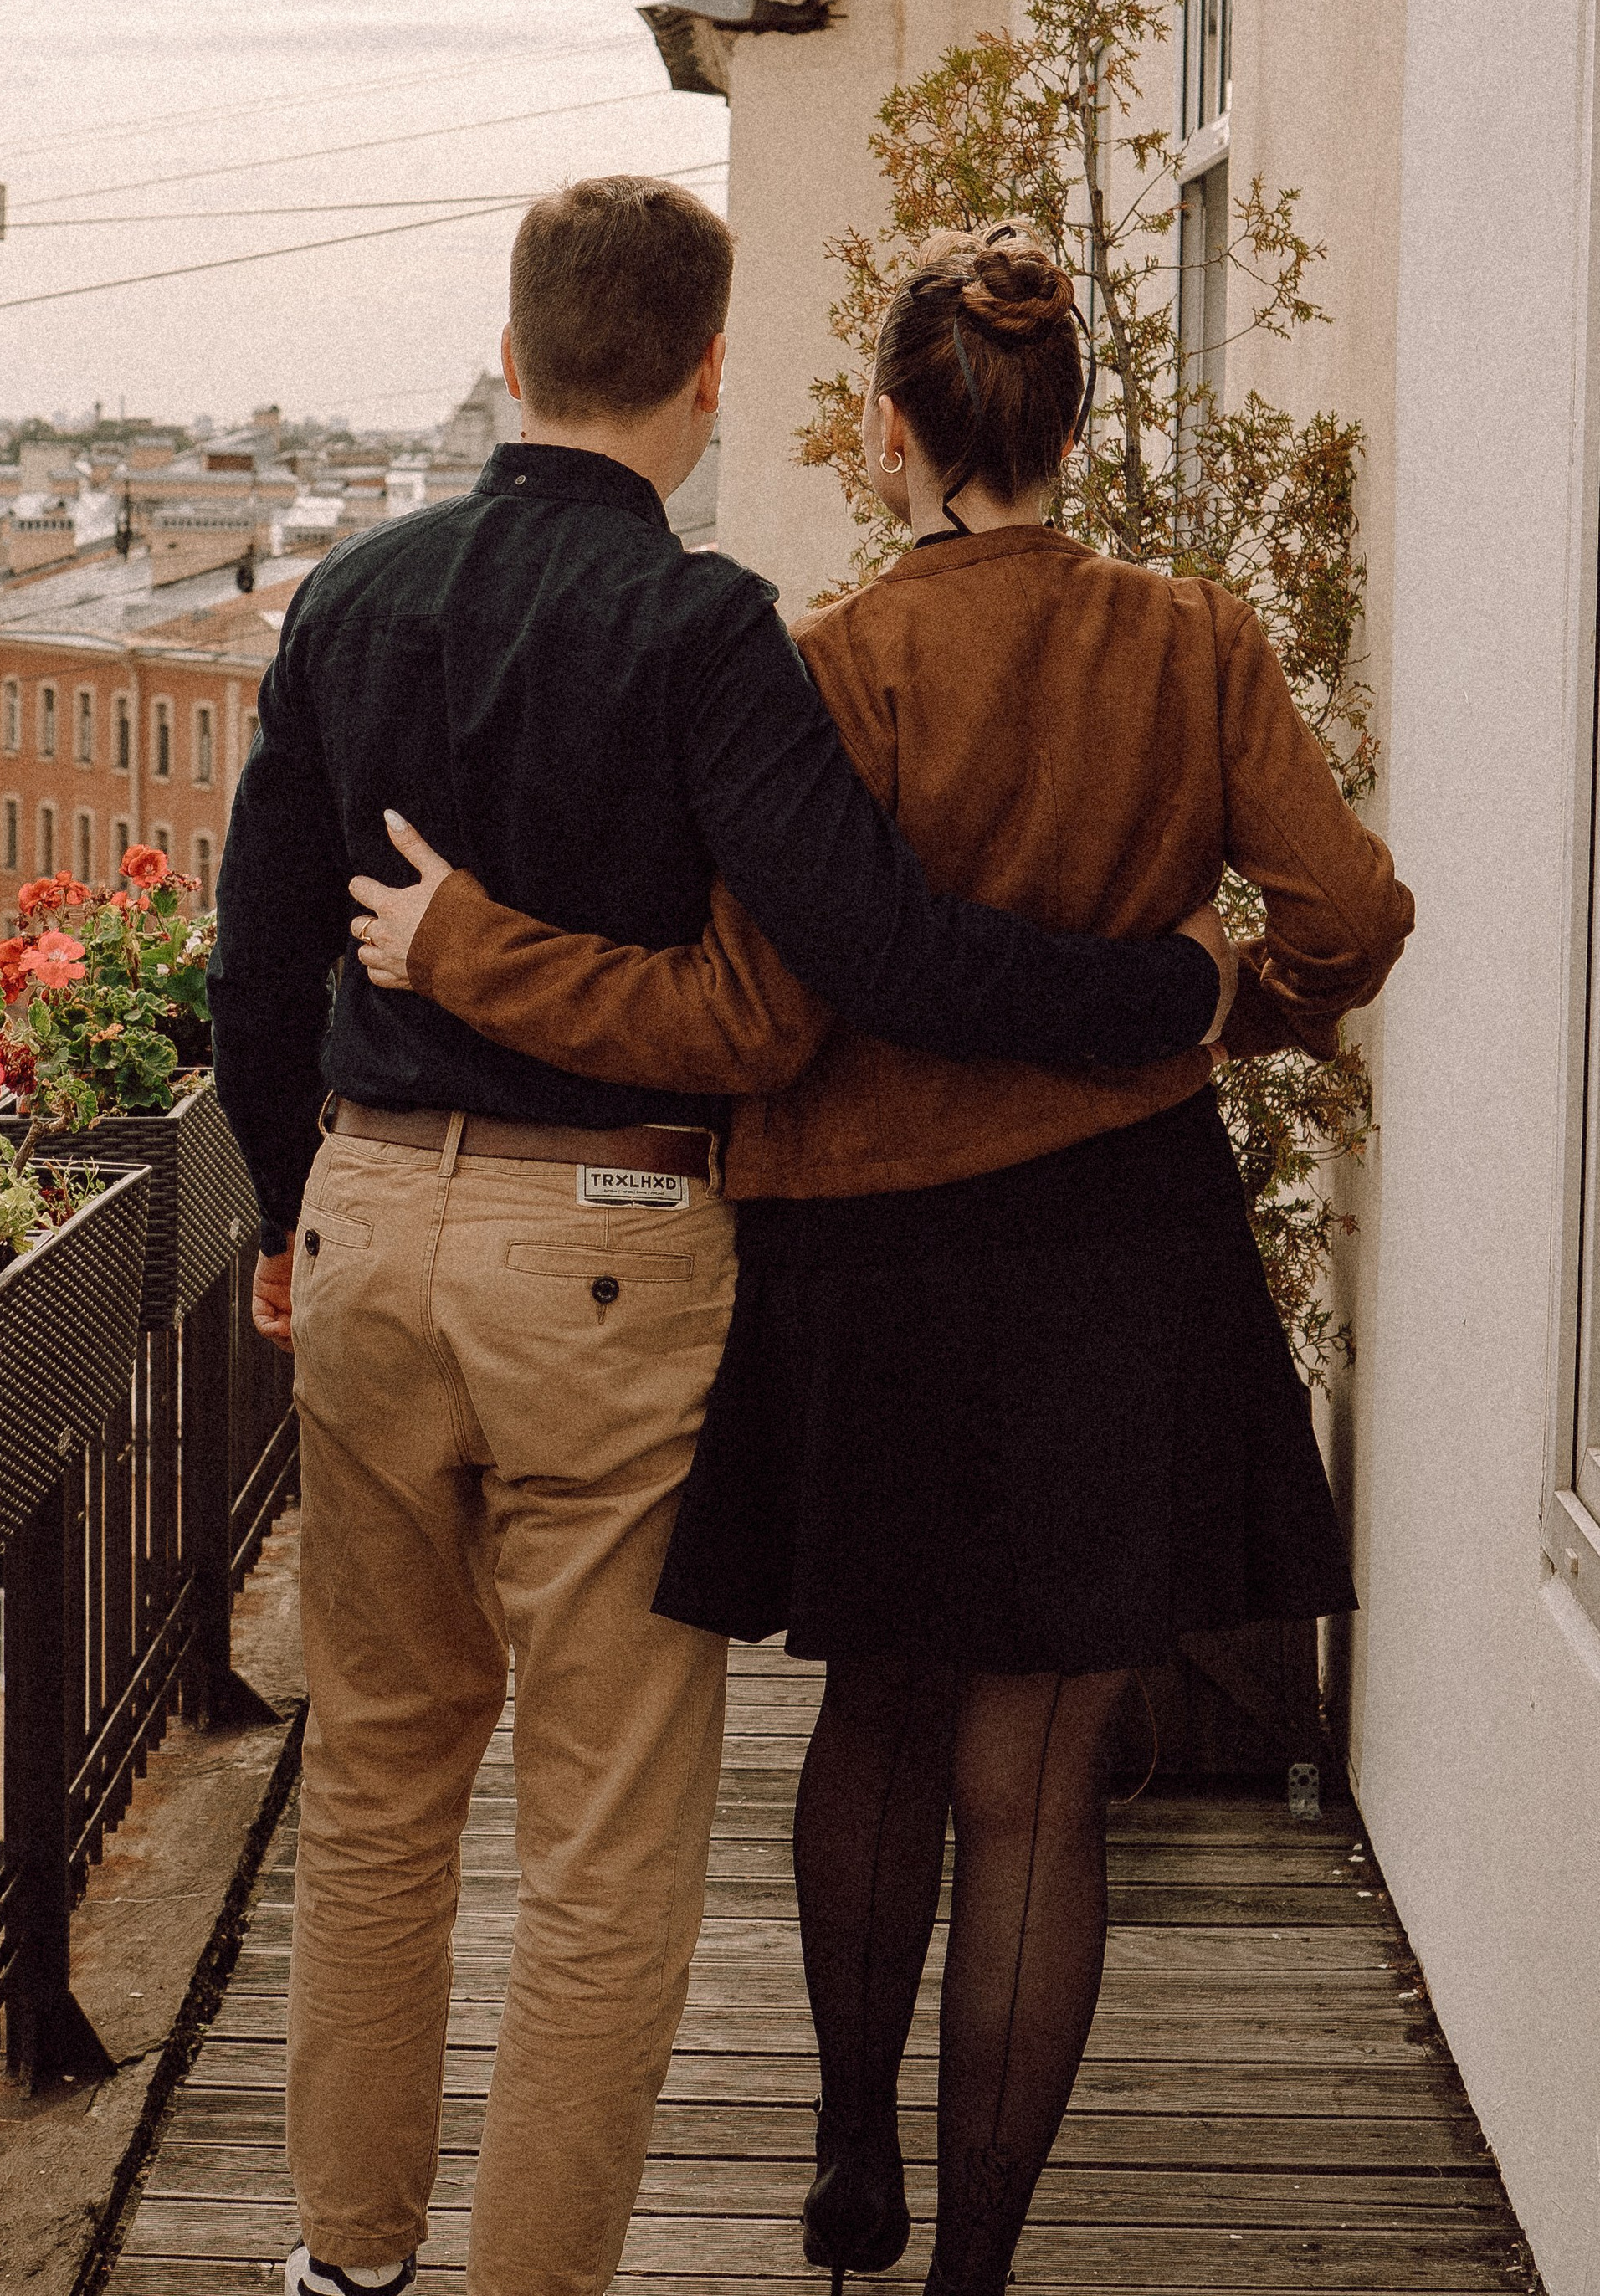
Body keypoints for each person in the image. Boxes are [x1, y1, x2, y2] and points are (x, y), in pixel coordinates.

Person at [345, 222, 1413, 2296]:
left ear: (885, 432)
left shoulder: (826, 664)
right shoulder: (1193, 644)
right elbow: (1347, 915)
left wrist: (467, 949)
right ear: (1068, 429)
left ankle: (846, 2151)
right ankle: (973, 2274)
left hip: (867, 1266)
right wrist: (1225, 1008)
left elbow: (748, 1012)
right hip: (1117, 1250)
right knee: (1040, 1773)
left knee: (881, 1714)